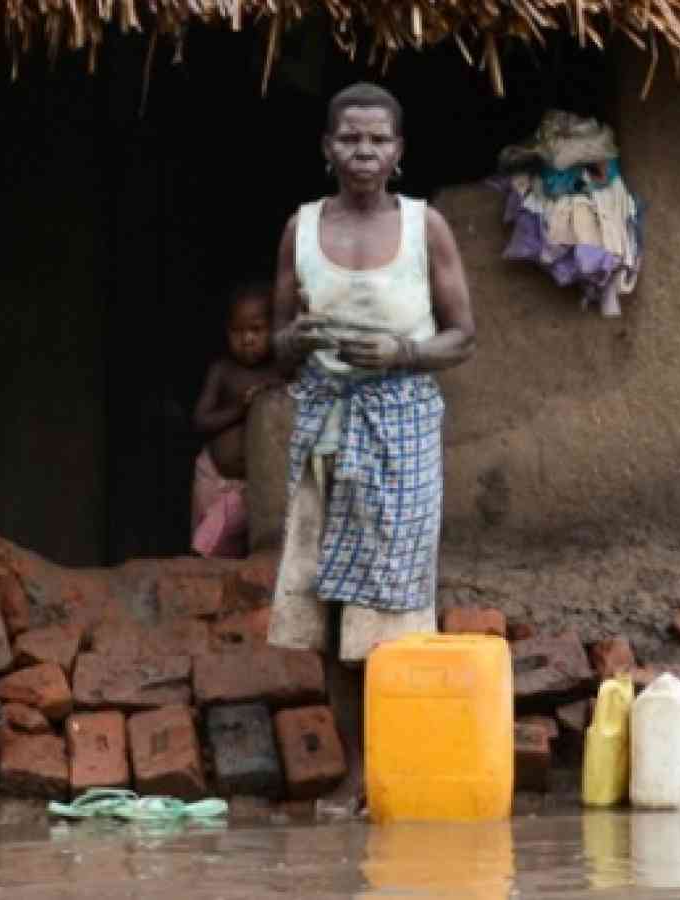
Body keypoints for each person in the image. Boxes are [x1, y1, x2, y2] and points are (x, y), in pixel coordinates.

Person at [266, 83, 478, 670]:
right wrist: (296, 341)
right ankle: (347, 747)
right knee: (324, 586)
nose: (364, 151)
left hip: (400, 424)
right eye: (350, 138)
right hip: (324, 427)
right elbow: (278, 348)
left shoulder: (424, 226)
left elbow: (463, 335)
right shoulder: (300, 229)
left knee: (393, 589)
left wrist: (401, 353)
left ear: (398, 150)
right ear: (327, 148)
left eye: (378, 139)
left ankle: (392, 733)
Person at [190, 285, 291, 559]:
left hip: (250, 483)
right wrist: (240, 409)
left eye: (256, 330)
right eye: (237, 332)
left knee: (222, 540)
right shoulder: (222, 371)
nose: (247, 339)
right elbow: (200, 421)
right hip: (211, 474)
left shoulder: (279, 373)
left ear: (274, 329)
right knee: (208, 535)